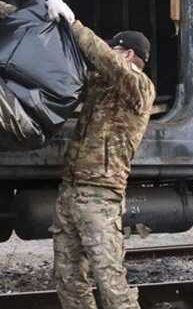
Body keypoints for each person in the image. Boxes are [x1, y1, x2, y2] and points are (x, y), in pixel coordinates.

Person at [51, 22, 156, 309]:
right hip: (71, 189)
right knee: (67, 277)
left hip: (101, 194)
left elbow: (107, 60)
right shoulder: (100, 84)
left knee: (109, 280)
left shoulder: (140, 88)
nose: (109, 51)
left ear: (128, 54)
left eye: (115, 48)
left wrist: (73, 25)